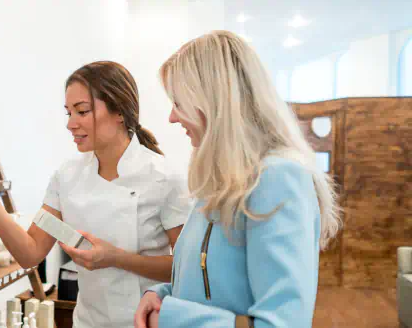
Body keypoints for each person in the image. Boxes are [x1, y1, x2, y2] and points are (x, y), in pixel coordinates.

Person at [0, 61, 191, 328]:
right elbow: (30, 253)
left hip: (144, 322)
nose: (71, 124)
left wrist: (116, 258)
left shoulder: (163, 177)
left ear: (120, 112)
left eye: (82, 111)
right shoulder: (67, 176)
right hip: (87, 321)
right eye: (68, 113)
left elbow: (185, 267)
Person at [134, 30, 342, 328]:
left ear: (213, 101)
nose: (171, 117)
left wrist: (171, 318)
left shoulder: (277, 179)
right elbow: (210, 286)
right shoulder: (221, 182)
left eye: (178, 103)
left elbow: (282, 323)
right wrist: (160, 294)